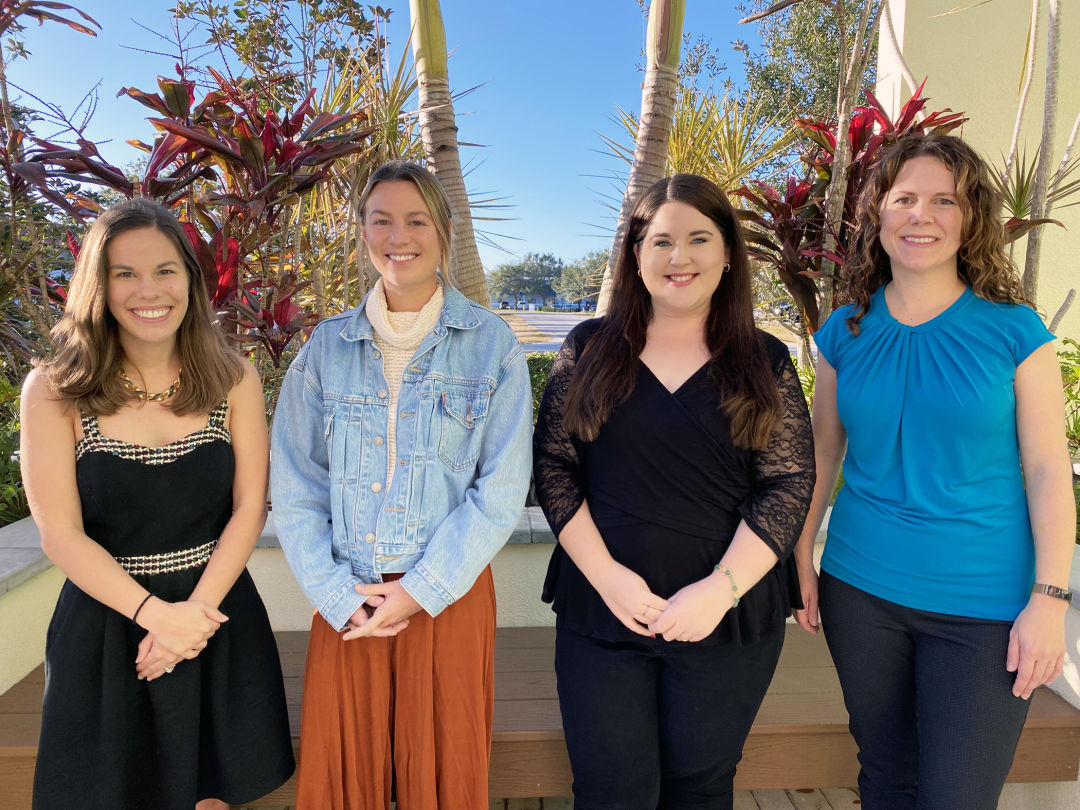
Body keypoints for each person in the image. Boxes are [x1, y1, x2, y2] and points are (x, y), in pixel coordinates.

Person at [793, 134, 1076, 810]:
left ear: (970, 218)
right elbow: (822, 453)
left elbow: (1045, 470)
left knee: (957, 797)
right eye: (905, 199)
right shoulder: (843, 333)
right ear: (879, 216)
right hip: (860, 591)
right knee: (886, 779)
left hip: (986, 605)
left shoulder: (1015, 331)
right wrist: (799, 551)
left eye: (943, 200)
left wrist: (1050, 600)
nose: (922, 215)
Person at [533, 173, 815, 809]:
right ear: (636, 254)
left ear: (727, 254)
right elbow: (553, 466)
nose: (678, 257)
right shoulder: (589, 349)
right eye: (660, 241)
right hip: (602, 614)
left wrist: (719, 590)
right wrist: (609, 579)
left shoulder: (764, 360)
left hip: (726, 623)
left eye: (698, 239)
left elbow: (789, 481)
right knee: (611, 791)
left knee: (699, 789)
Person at [270, 160, 533, 810]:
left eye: (416, 220)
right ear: (362, 232)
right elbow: (297, 484)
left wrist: (419, 592)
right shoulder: (325, 350)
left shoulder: (491, 346)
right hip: (349, 599)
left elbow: (501, 490)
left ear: (442, 231)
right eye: (381, 219)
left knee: (441, 780)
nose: (399, 235)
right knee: (343, 784)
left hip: (449, 595)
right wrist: (336, 595)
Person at [20, 198, 295, 810]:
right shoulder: (55, 390)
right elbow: (60, 535)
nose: (150, 290)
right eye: (125, 273)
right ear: (99, 284)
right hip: (105, 628)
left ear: (191, 282)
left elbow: (250, 507)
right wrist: (156, 617)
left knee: (211, 796)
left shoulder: (233, 377)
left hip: (214, 617)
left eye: (166, 270)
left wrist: (188, 621)